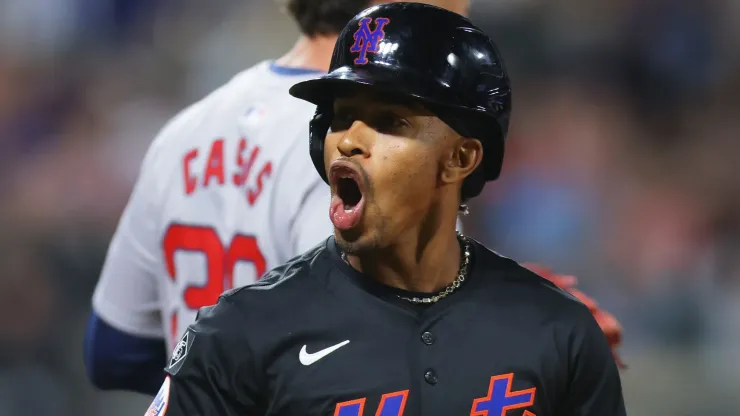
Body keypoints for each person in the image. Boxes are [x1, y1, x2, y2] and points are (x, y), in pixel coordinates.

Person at [145, 3, 626, 415]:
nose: (349, 140)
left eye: (387, 120)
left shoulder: (556, 332)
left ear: (461, 158)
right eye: (339, 117)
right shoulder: (237, 335)